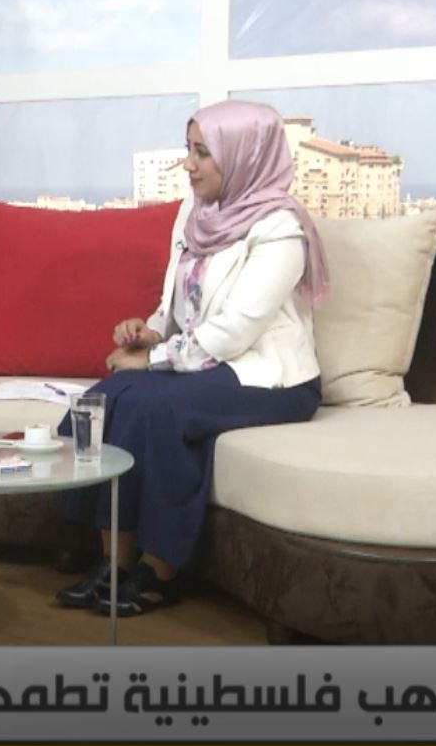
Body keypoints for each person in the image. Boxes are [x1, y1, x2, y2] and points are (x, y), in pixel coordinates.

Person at [53, 99, 330, 617]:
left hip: (268, 376)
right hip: (204, 362)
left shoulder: (281, 228)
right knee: (104, 399)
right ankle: (114, 563)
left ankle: (160, 570)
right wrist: (149, 331)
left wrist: (154, 359)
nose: (188, 164)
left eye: (203, 153)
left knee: (158, 410)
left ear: (244, 156)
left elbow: (236, 330)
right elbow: (177, 306)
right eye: (189, 149)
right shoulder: (195, 213)